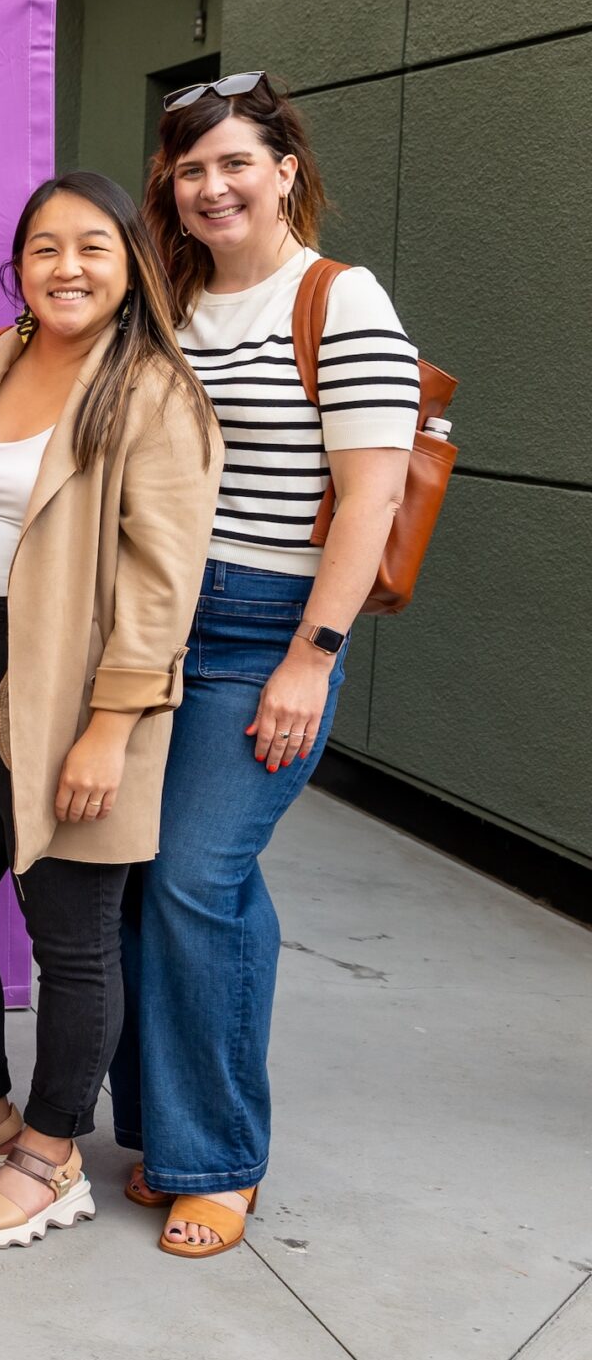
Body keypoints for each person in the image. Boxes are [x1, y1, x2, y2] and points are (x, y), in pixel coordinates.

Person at [113, 73, 418, 1258]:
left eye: (235, 163)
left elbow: (371, 497)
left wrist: (312, 658)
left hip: (267, 631)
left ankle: (218, 1159)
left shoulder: (338, 300)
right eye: (189, 170)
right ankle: (158, 1131)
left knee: (198, 875)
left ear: (286, 170)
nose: (211, 187)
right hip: (159, 622)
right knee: (155, 880)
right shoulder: (174, 301)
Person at [0, 172, 219, 1248]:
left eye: (91, 247)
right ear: (16, 264)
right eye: (43, 248)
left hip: (74, 688)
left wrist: (110, 726)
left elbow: (163, 584)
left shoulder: (154, 392)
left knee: (71, 940)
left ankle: (51, 1150)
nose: (65, 267)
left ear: (131, 265)